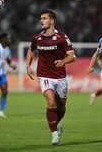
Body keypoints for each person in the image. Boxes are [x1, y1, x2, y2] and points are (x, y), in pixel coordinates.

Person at [26, 9, 76, 145]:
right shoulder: (37, 38)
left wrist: (63, 61)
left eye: (44, 18)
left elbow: (72, 56)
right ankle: (54, 133)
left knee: (61, 107)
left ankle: (57, 124)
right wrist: (28, 66)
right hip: (44, 75)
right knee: (50, 101)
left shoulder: (62, 37)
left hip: (60, 77)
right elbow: (31, 50)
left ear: (52, 20)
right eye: (41, 18)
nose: (41, 21)